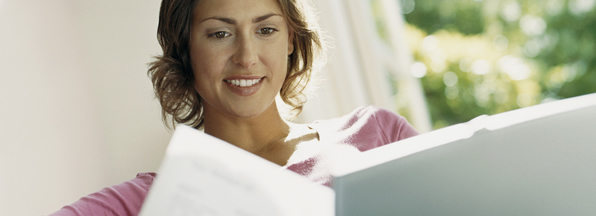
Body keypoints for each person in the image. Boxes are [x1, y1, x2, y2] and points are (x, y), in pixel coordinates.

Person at [49, 0, 419, 215]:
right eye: (219, 34)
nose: (246, 57)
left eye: (266, 30)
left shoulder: (378, 135)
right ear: (185, 50)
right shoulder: (149, 202)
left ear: (291, 40)